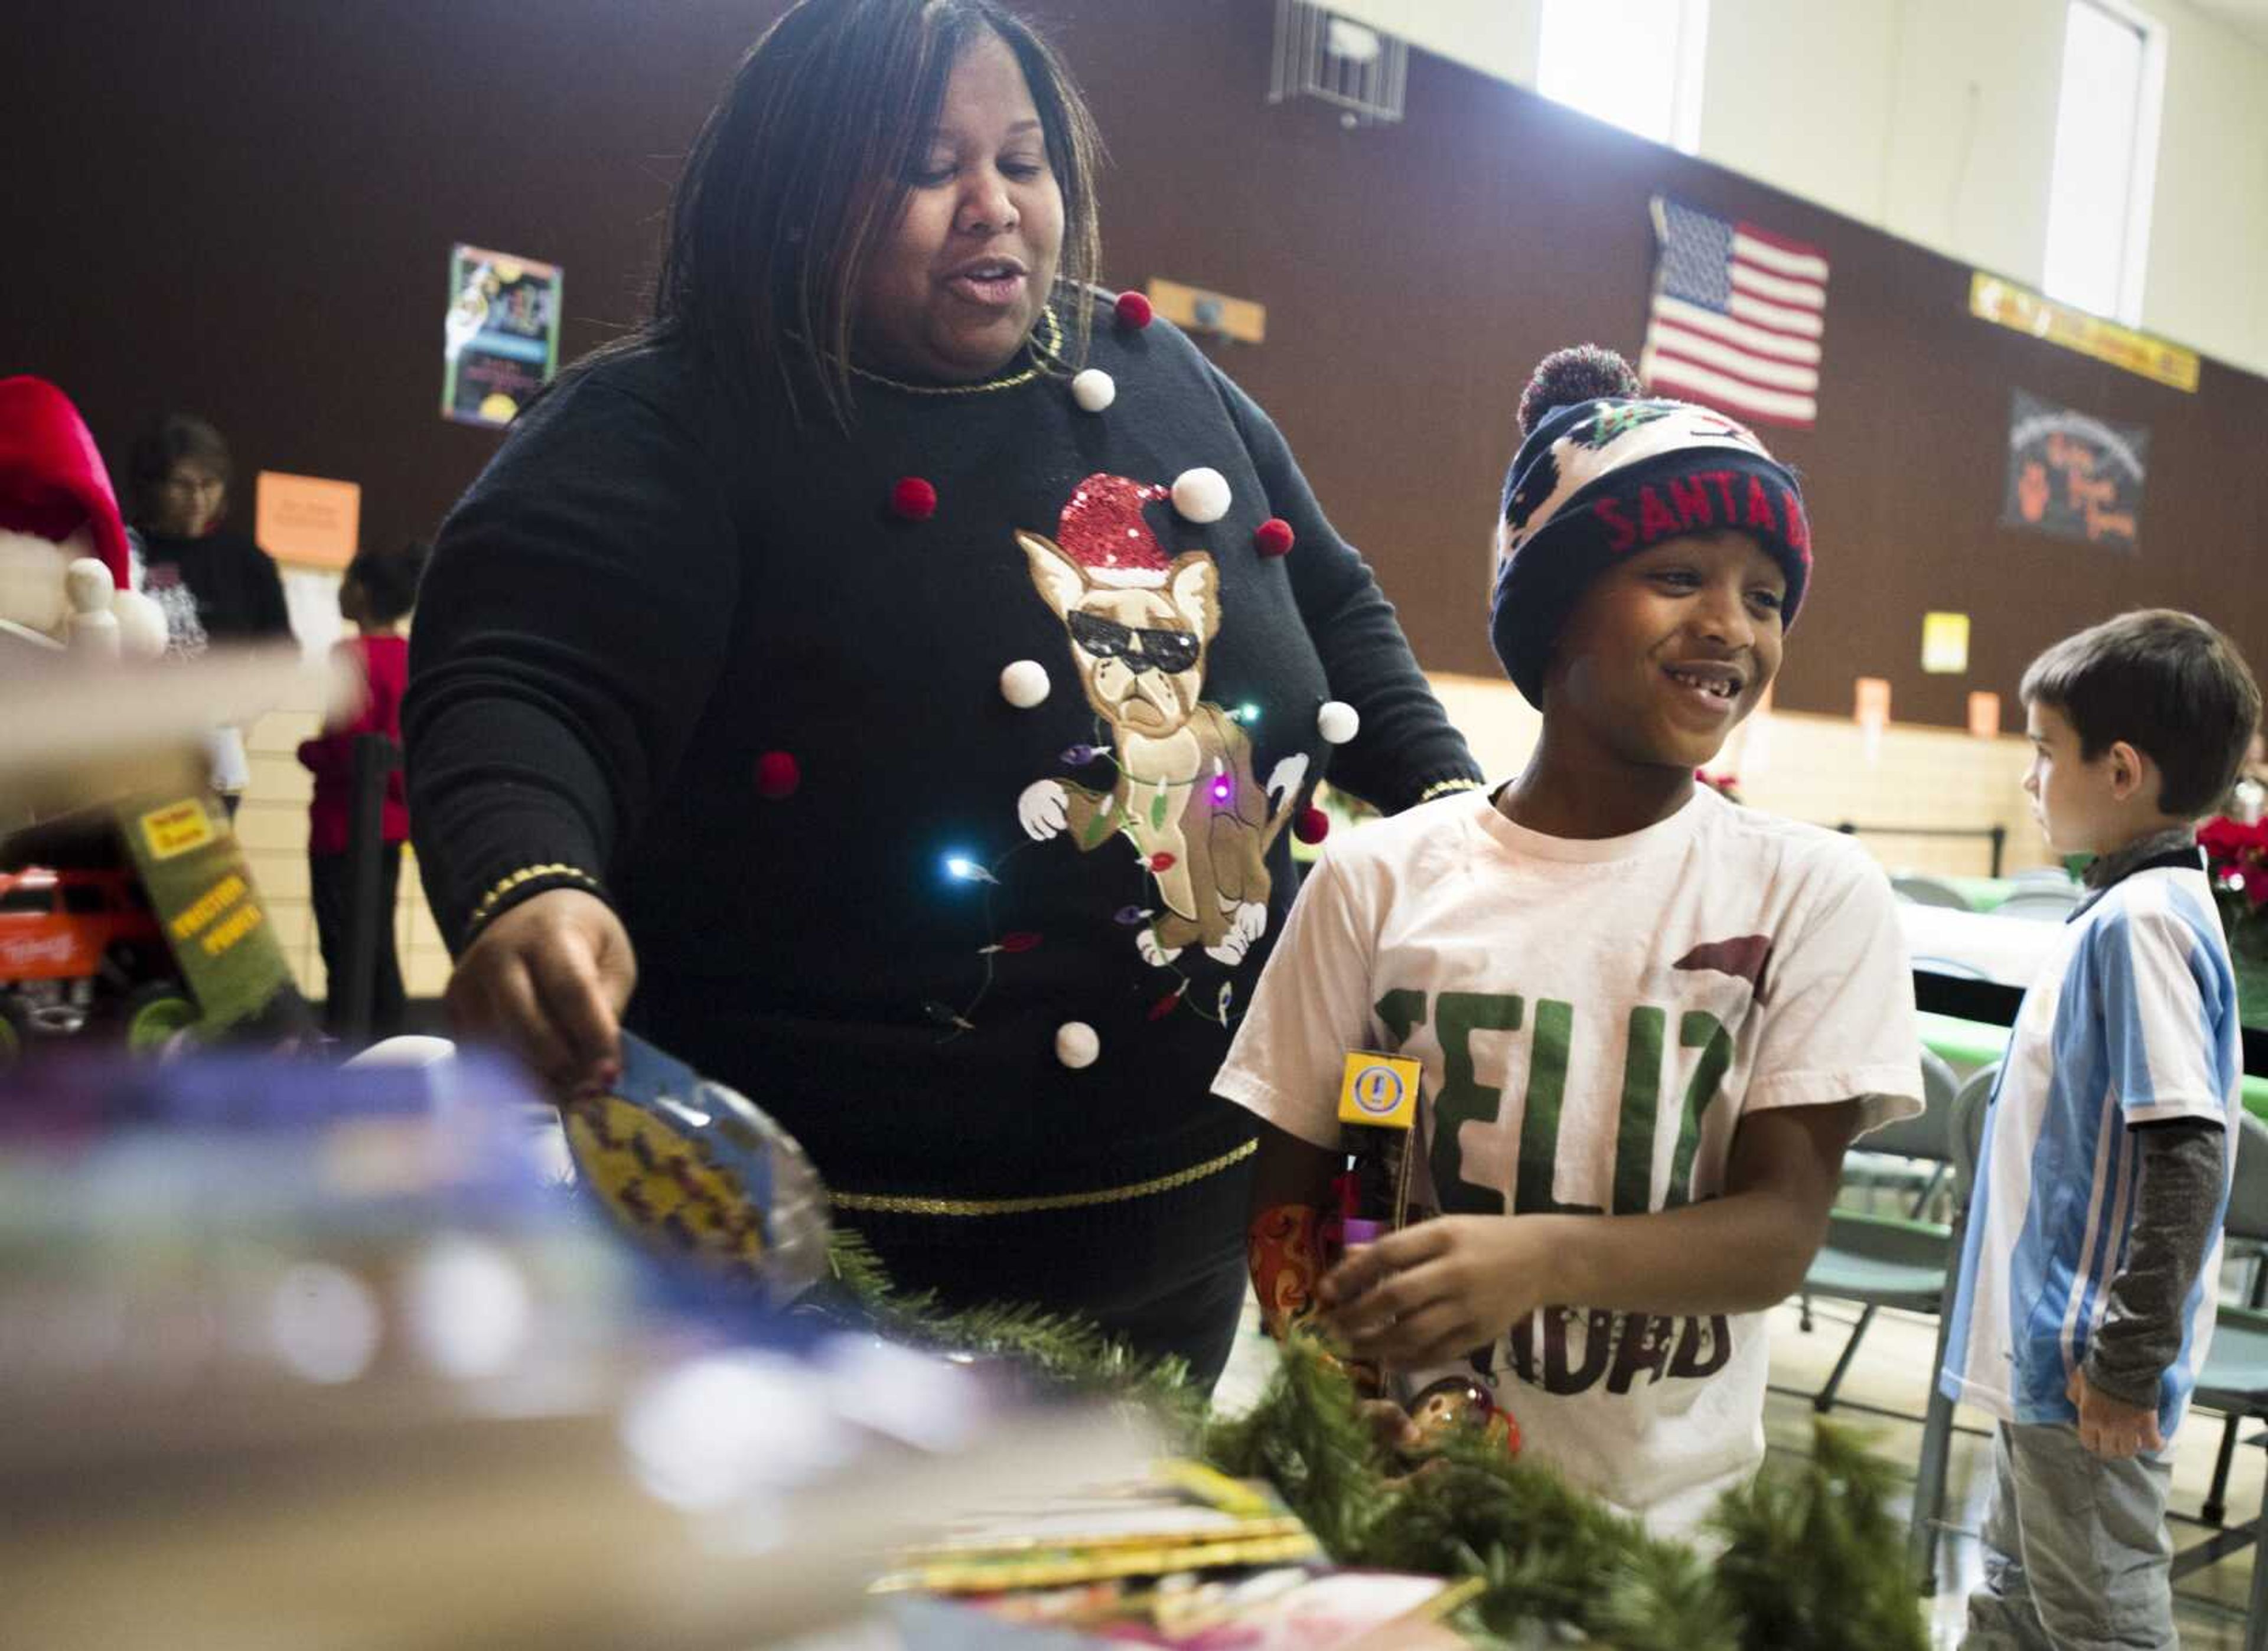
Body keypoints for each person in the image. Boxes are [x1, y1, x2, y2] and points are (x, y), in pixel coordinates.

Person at [403, 0, 1481, 1386]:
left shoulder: (1162, 373)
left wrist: (1452, 804)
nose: (993, 208)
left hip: (1191, 1218)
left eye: (1022, 163)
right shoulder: (675, 416)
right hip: (818, 1265)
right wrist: (529, 883)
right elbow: (519, 678)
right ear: (797, 198)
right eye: (927, 169)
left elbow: (1331, 602)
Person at [1214, 345, 1923, 1529]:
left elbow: (1781, 1233)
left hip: (1665, 1533)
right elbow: (1292, 1204)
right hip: (1396, 1511)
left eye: (1765, 596)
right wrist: (1343, 1408)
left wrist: (1541, 1261)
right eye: (1680, 575)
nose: (1730, 627)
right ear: (1552, 613)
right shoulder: (1377, 880)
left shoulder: (1813, 891)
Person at [1941, 611, 2258, 1650]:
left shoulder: (2146, 924)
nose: (2030, 778)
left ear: (2121, 770)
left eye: (2044, 751)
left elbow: (2188, 1157)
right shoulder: (2124, 910)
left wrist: (2126, 1363)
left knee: (2101, 1625)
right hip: (2052, 1361)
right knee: (2018, 1600)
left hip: (2085, 1367)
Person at [124, 413, 294, 813]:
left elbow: (283, 653)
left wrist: (246, 711)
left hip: (214, 749)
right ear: (152, 485)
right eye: (182, 485)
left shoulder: (248, 561)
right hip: (130, 746)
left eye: (209, 485)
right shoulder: (125, 547)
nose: (198, 499)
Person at [299, 541, 426, 1042]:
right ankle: (392, 1049)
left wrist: (306, 752)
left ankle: (346, 1058)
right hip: (392, 825)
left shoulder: (348, 656)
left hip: (341, 826)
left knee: (342, 946)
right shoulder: (412, 656)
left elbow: (343, 749)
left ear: (363, 591)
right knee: (380, 944)